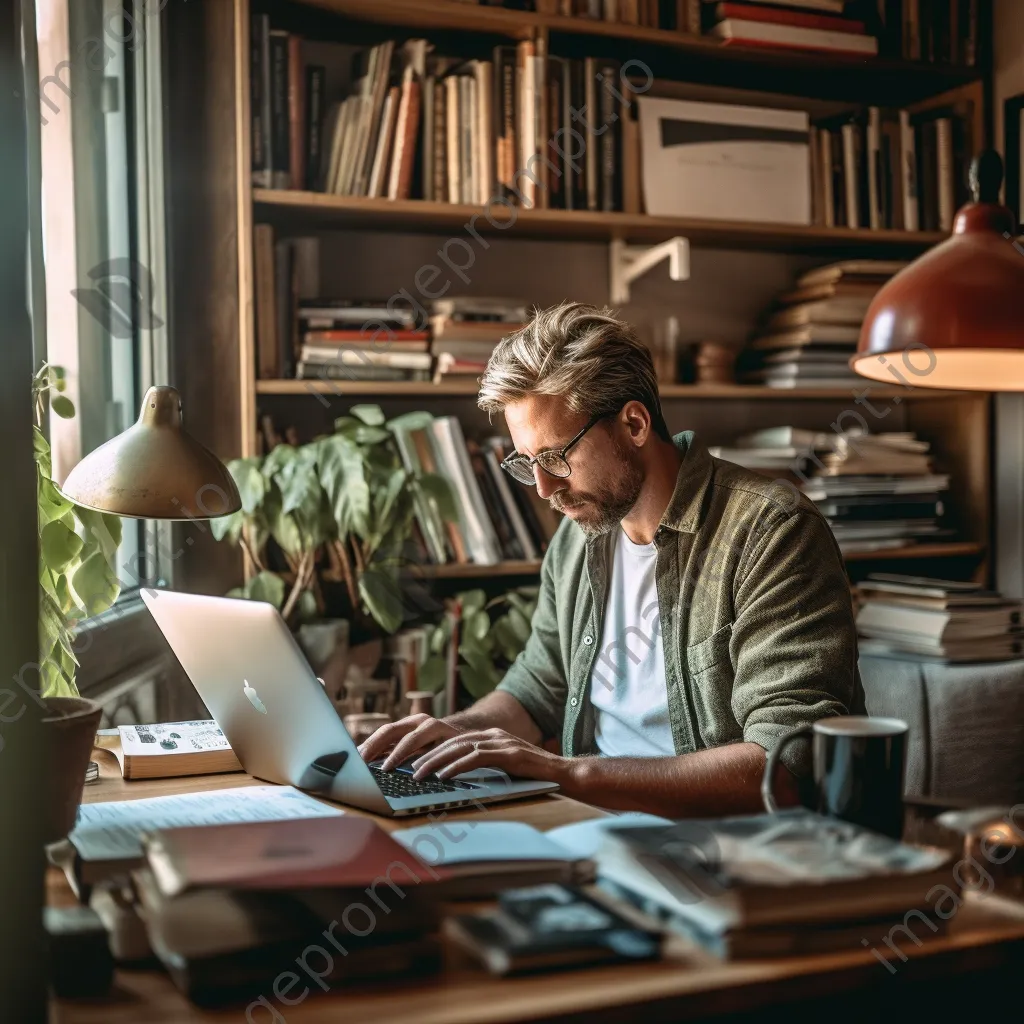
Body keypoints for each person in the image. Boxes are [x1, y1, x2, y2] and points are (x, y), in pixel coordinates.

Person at [360, 302, 864, 817]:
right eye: (525, 463)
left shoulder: (771, 532)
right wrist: (455, 735)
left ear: (634, 424)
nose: (544, 488)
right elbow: (538, 686)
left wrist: (568, 774)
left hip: (726, 846)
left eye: (556, 458)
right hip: (593, 823)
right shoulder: (578, 538)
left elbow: (786, 766)